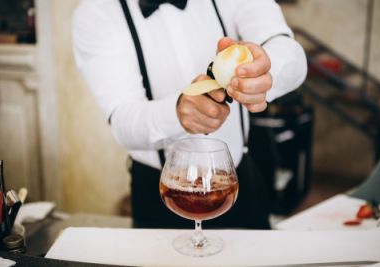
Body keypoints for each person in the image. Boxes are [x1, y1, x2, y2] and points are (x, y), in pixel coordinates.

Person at [72, 0, 307, 229]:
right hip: (160, 195)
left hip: (239, 183)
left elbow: (290, 54)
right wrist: (176, 114)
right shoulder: (96, 12)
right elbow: (123, 120)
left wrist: (264, 70)